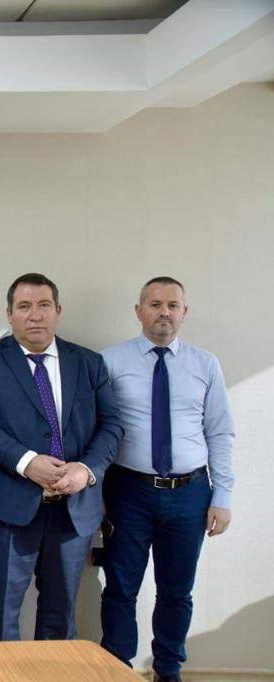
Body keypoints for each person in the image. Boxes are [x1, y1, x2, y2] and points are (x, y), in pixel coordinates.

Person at [0, 272, 123, 641]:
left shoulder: (88, 362)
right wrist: (27, 463)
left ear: (58, 311)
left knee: (60, 616)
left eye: (43, 305)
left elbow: (112, 424)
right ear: (9, 314)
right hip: (10, 508)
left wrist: (86, 470)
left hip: (73, 510)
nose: (35, 315)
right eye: (24, 306)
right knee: (0, 616)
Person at [100, 276, 234, 682]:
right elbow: (98, 430)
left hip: (190, 494)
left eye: (173, 305)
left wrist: (223, 496)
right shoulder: (110, 361)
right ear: (139, 311)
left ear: (184, 312)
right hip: (128, 491)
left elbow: (220, 431)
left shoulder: (205, 364)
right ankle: (116, 668)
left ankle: (168, 669)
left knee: (176, 591)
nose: (164, 312)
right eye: (155, 304)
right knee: (121, 587)